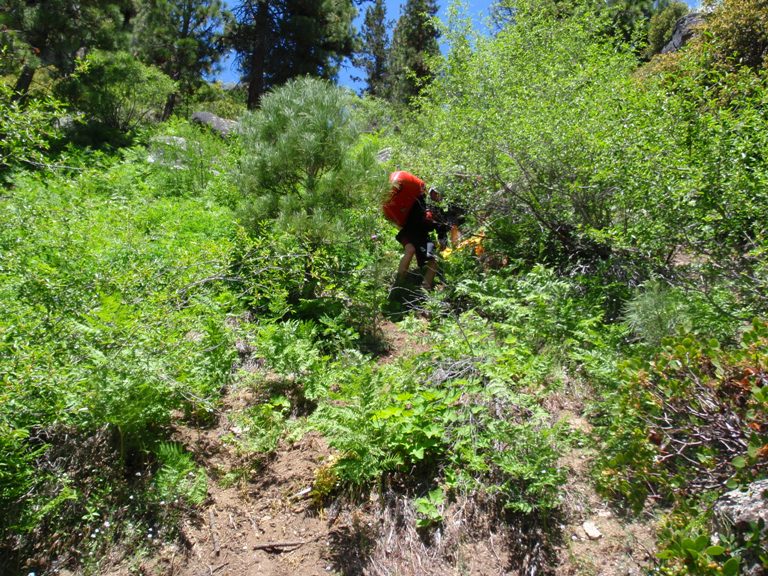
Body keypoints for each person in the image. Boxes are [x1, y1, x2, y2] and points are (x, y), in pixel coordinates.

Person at [394, 185, 451, 290]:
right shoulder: (420, 201)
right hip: (409, 233)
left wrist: (443, 241)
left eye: (438, 194)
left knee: (433, 259)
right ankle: (399, 283)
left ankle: (424, 289)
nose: (436, 196)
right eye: (434, 193)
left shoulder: (439, 212)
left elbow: (441, 229)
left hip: (422, 237)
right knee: (411, 250)